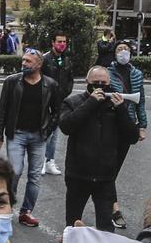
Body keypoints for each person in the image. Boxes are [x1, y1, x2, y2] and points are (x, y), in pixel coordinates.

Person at [58, 67, 139, 232]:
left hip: (105, 177)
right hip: (78, 174)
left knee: (106, 226)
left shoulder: (115, 106)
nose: (101, 86)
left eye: (104, 83)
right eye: (96, 83)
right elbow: (66, 126)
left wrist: (122, 110)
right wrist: (91, 103)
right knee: (73, 221)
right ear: (87, 84)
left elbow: (132, 137)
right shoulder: (73, 102)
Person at [0, 50, 60, 228]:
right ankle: (7, 209)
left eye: (28, 61)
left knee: (35, 176)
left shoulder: (50, 84)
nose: (24, 63)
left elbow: (56, 112)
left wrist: (48, 130)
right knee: (14, 171)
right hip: (17, 134)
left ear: (39, 65)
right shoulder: (12, 82)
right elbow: (3, 110)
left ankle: (26, 212)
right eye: (23, 60)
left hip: (39, 136)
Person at [107, 41, 147, 230]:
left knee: (113, 169)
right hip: (110, 123)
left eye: (126, 50)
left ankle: (105, 199)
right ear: (114, 54)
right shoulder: (108, 72)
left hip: (128, 125)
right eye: (119, 50)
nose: (123, 52)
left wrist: (142, 126)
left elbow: (141, 102)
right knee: (109, 166)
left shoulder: (137, 74)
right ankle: (114, 209)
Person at [40, 33, 75, 176]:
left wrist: (65, 94)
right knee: (44, 131)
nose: (62, 44)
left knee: (54, 133)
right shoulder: (44, 59)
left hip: (60, 101)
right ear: (53, 42)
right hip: (45, 101)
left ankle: (50, 161)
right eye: (59, 41)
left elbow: (70, 79)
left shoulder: (66, 59)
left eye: (64, 41)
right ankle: (41, 160)